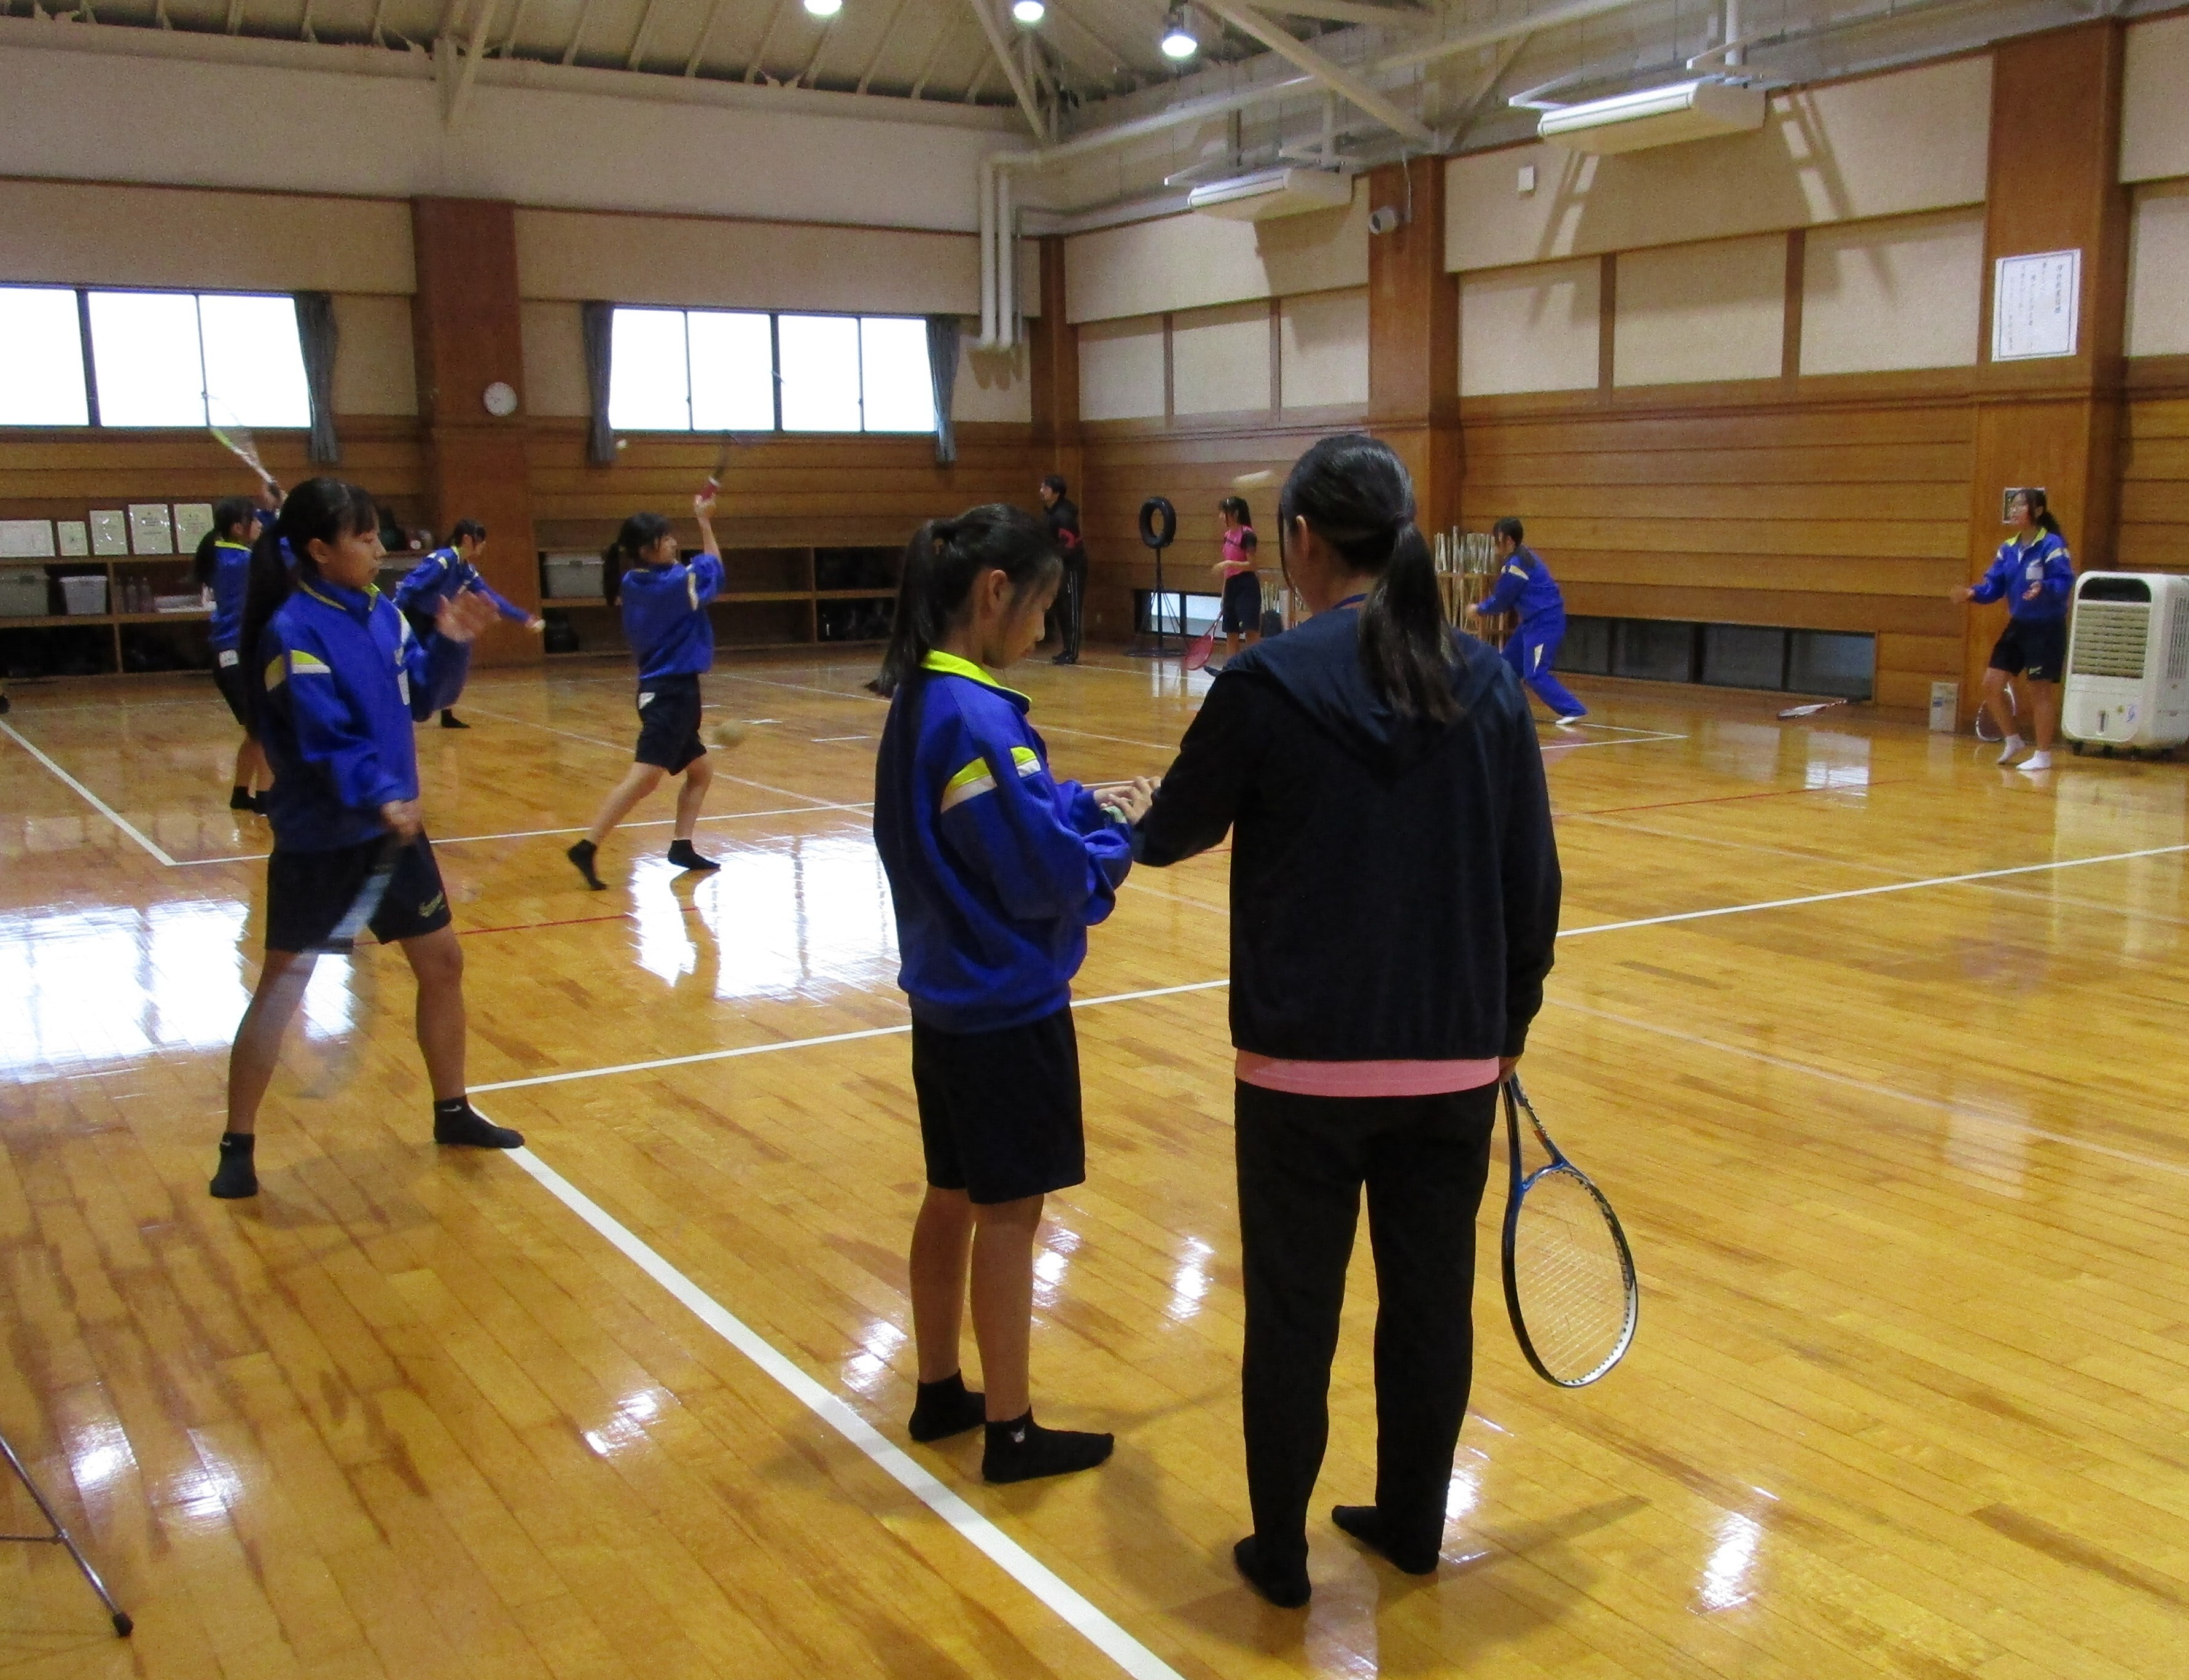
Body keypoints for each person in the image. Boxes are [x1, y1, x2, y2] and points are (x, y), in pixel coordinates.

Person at [1131, 435, 1561, 1608]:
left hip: (1299, 1075)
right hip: (1450, 1064)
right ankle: (1412, 1524)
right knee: (1427, 1307)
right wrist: (1506, 1019)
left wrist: (1110, 816)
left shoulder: (1265, 682)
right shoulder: (1484, 684)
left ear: (1303, 544)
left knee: (1293, 1316)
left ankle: (1279, 1551)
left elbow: (1169, 830)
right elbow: (1535, 882)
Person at [870, 504, 1155, 1484]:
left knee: (951, 1191)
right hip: (1006, 1008)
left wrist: (1082, 803)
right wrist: (1119, 845)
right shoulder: (979, 714)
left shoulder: (924, 697)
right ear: (996, 593)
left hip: (944, 1001)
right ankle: (1013, 1426)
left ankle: (940, 1385)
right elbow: (1040, 875)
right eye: (1042, 607)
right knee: (1011, 1212)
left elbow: (1005, 813)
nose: (1044, 628)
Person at [208, 478, 521, 1201]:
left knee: (442, 963)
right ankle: (238, 1141)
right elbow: (322, 735)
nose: (380, 548)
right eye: (364, 537)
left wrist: (450, 645)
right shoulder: (292, 631)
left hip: (393, 833)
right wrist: (379, 792)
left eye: (379, 533)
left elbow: (424, 697)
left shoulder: (383, 612)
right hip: (324, 841)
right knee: (284, 991)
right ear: (320, 550)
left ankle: (452, 1109)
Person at [566, 495, 724, 889]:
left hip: (667, 691)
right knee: (643, 781)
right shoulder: (671, 584)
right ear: (645, 550)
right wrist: (704, 522)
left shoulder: (632, 581)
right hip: (670, 695)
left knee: (701, 772)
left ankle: (681, 846)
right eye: (664, 539)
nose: (672, 543)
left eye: (672, 536)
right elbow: (714, 573)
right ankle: (587, 845)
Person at [1959, 488, 2074, 773]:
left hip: (2046, 628)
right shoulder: (2007, 549)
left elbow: (2063, 582)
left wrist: (2044, 588)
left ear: (2037, 512)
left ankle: (2044, 754)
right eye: (2012, 506)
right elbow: (1994, 586)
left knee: (2040, 693)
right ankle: (2013, 740)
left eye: (2020, 506)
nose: (2014, 511)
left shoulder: (2051, 545)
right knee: (1991, 684)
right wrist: (1973, 593)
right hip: (2019, 626)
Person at [393, 518, 543, 728]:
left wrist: (524, 617)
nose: (483, 546)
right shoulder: (442, 561)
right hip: (413, 618)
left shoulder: (466, 571)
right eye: (481, 541)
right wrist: (393, 615)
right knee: (408, 666)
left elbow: (492, 598)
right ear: (467, 540)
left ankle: (447, 713)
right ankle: (399, 711)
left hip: (435, 620)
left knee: (445, 661)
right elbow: (410, 587)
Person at [193, 490, 276, 811]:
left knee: (257, 729)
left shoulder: (223, 551)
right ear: (238, 527)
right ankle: (267, 799)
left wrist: (271, 512)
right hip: (236, 655)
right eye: (253, 519)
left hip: (232, 654)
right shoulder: (241, 561)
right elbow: (280, 552)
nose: (258, 524)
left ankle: (242, 793)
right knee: (266, 728)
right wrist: (283, 511)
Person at [1467, 517, 1587, 725]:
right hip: (1531, 624)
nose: (1496, 547)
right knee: (1507, 666)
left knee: (1534, 674)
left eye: (1499, 540)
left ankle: (1573, 708)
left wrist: (1479, 609)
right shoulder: (1525, 557)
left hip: (1545, 623)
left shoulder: (1516, 567)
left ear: (1510, 541)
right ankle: (1503, 709)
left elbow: (1502, 601)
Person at [1038, 475, 1087, 665]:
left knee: (1072, 608)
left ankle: (1072, 652)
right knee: (1061, 608)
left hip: (1073, 567)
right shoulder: (1048, 513)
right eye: (1042, 486)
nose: (1042, 490)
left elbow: (1070, 546)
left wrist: (1052, 557)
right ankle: (1067, 649)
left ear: (1056, 493)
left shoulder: (1064, 516)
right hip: (1059, 566)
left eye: (1046, 488)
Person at [1212, 496, 1262, 668]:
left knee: (1251, 631)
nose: (1221, 516)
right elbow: (1228, 571)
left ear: (1235, 513)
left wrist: (1229, 563)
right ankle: (1231, 670)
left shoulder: (1248, 534)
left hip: (1247, 586)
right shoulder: (1227, 535)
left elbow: (1253, 564)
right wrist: (1224, 595)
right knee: (1231, 632)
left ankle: (1256, 669)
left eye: (1224, 512)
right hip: (1231, 586)